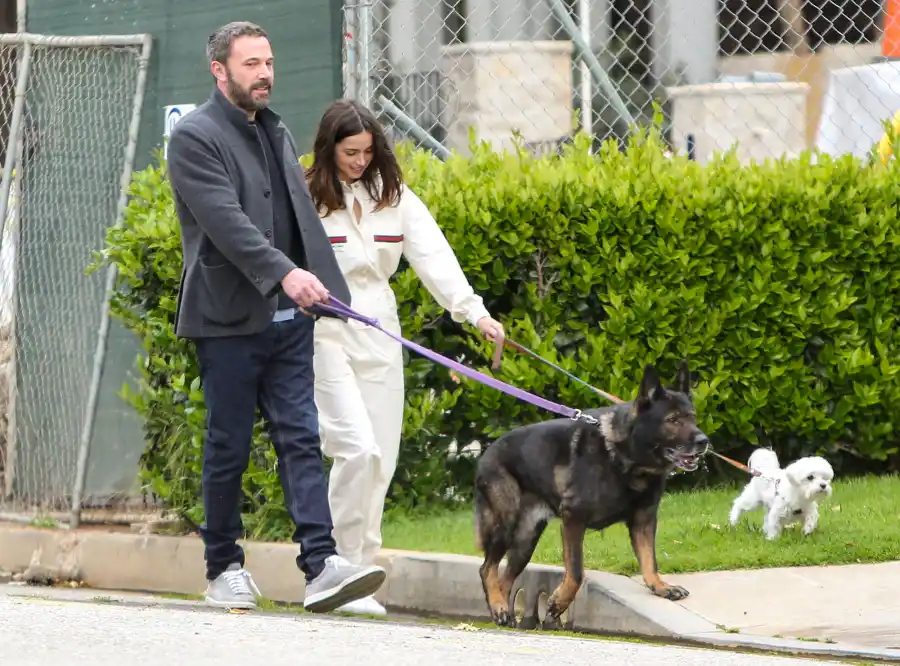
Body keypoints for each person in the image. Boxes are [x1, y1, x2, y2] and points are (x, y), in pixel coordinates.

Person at [165, 21, 386, 613]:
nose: (264, 73)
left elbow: (299, 219)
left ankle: (321, 567)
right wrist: (285, 274)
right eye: (250, 64)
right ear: (220, 70)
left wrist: (328, 295)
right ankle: (223, 568)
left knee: (301, 439)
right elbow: (226, 223)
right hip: (226, 321)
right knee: (229, 445)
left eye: (268, 61)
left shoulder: (277, 130)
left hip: (290, 322)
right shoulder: (194, 137)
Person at [305, 99, 505, 616]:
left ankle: (359, 573)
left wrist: (475, 314)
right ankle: (334, 564)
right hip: (322, 329)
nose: (360, 161)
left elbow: (433, 254)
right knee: (356, 449)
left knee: (383, 460)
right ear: (329, 149)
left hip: (380, 327)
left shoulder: (392, 194)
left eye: (369, 151)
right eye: (350, 152)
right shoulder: (304, 194)